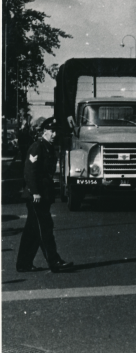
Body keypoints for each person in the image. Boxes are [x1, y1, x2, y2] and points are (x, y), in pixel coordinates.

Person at [16, 117, 73, 273]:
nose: (54, 134)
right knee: (45, 229)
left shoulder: (48, 147)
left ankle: (23, 264)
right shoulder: (37, 147)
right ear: (44, 132)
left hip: (43, 195)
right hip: (36, 196)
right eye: (51, 131)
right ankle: (54, 262)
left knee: (32, 231)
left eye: (56, 131)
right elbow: (30, 172)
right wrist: (35, 192)